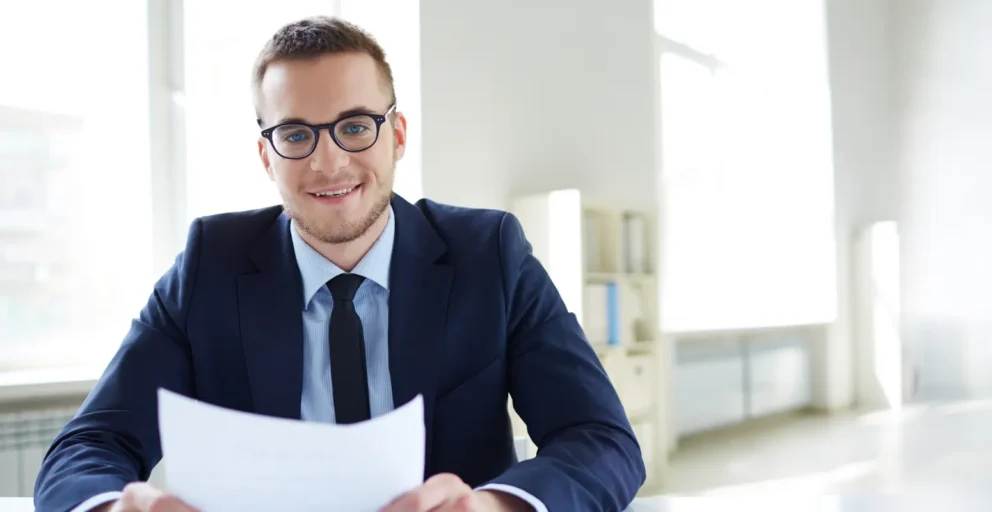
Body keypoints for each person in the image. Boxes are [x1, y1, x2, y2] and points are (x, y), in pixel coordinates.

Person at [33, 15, 644, 512]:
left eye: (355, 126)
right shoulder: (207, 267)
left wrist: (495, 508)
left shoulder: (490, 255)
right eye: (296, 135)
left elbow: (602, 440)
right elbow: (88, 448)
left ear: (397, 135)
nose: (328, 164)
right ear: (266, 156)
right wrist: (114, 509)